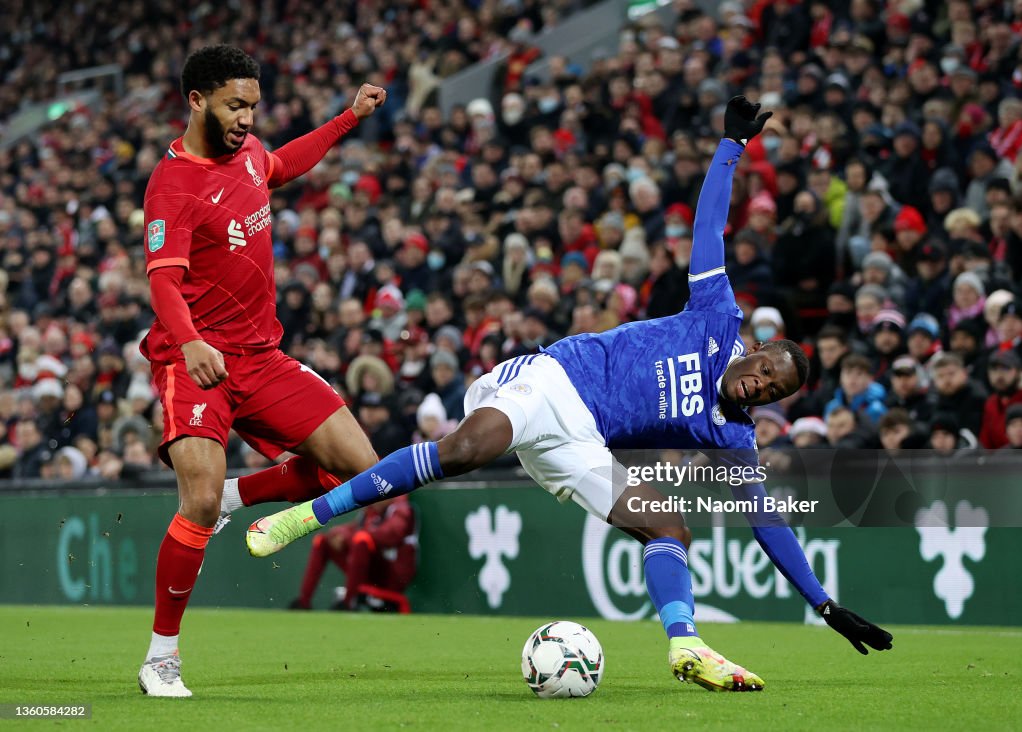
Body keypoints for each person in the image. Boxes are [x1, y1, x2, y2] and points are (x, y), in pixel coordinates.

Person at [247, 98, 892, 692]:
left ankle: (686, 646)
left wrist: (823, 604)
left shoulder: (733, 434)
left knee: (668, 525)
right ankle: (308, 516)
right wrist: (731, 145)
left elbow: (766, 521)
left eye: (772, 390)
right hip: (556, 380)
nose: (760, 383)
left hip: (582, 444)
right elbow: (710, 225)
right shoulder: (716, 317)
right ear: (753, 349)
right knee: (467, 449)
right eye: (765, 368)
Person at [137, 45, 387, 698]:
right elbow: (163, 282)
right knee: (193, 499)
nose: (247, 117)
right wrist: (188, 340)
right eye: (234, 105)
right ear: (196, 101)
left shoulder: (248, 152)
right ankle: (162, 657)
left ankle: (237, 498)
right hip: (196, 362)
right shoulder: (173, 184)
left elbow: (281, 165)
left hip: (263, 357)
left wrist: (346, 118)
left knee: (362, 469)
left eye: (252, 104)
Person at [289, 495, 417, 611]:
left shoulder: (401, 508)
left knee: (362, 539)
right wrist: (338, 535)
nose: (375, 499)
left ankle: (348, 603)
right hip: (370, 570)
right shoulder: (371, 512)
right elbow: (352, 529)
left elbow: (390, 534)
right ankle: (303, 602)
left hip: (393, 575)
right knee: (322, 541)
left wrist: (348, 537)